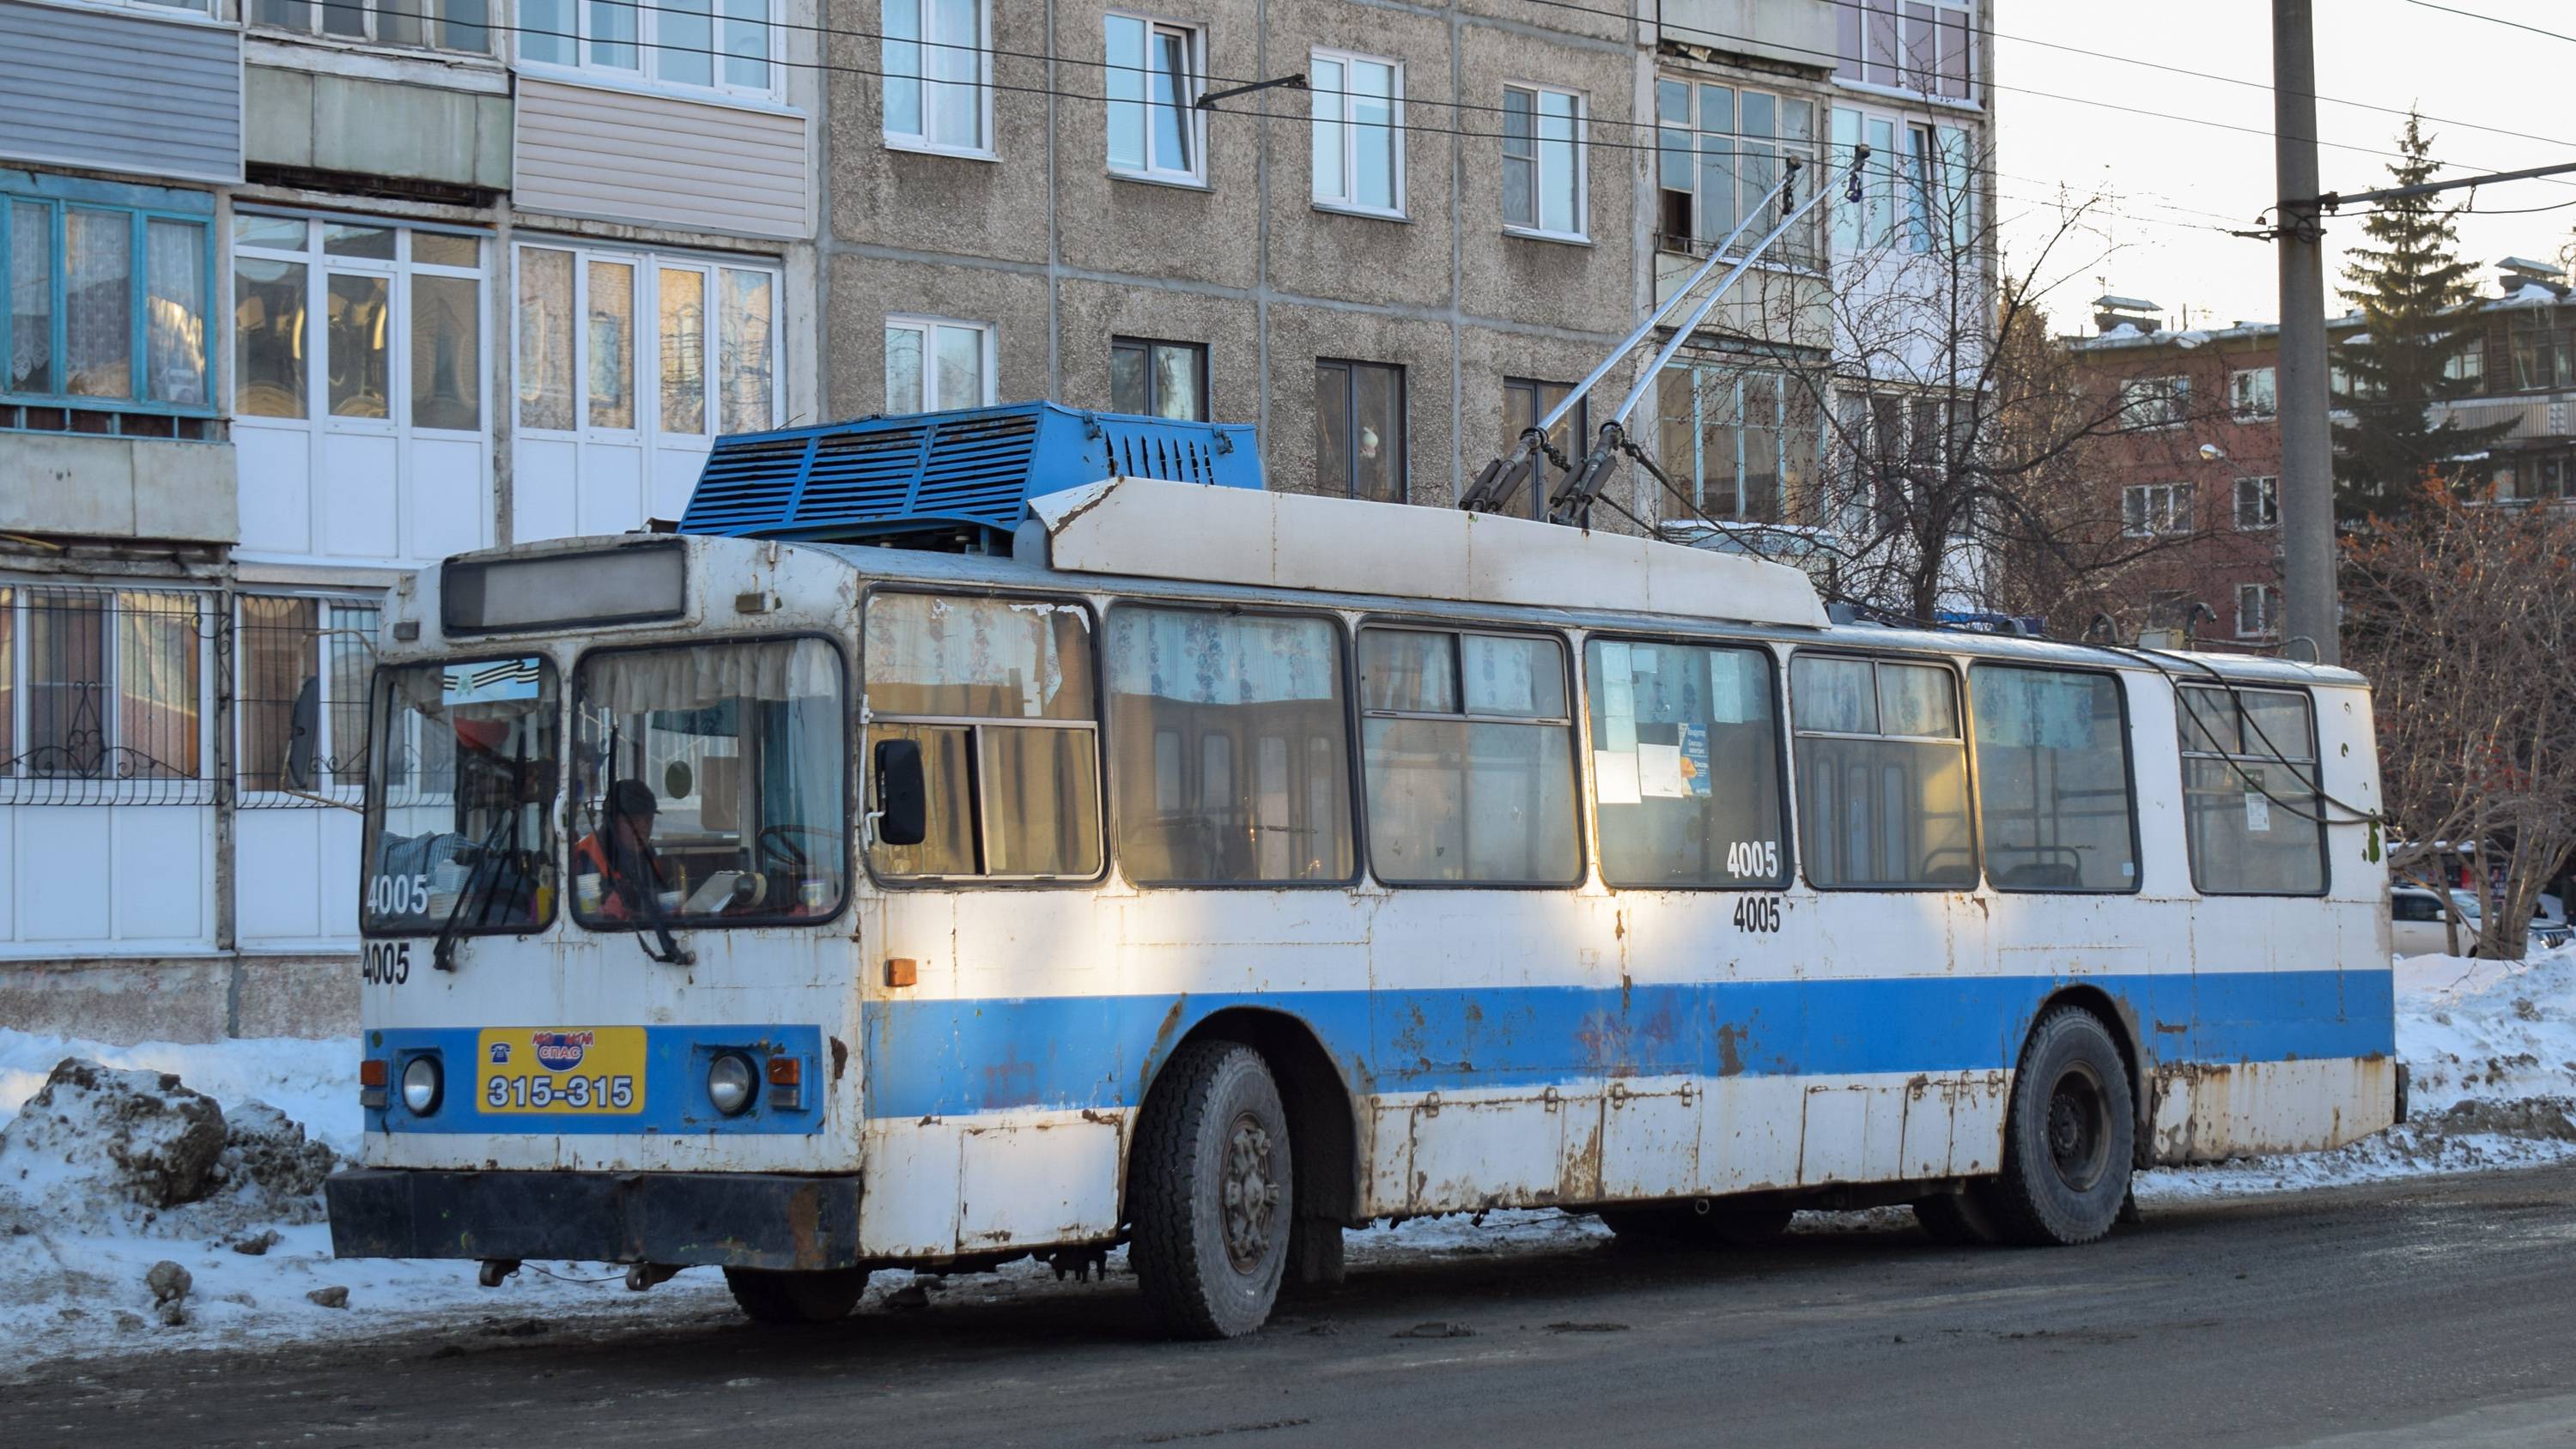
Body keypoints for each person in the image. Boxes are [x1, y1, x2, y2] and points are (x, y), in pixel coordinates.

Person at [572, 779, 666, 920]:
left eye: (648, 820)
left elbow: (662, 901)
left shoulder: (648, 856)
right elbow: (587, 920)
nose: (644, 829)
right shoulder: (584, 857)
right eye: (633, 821)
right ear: (611, 822)